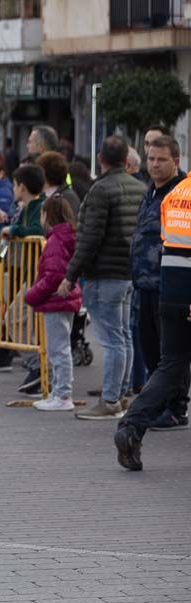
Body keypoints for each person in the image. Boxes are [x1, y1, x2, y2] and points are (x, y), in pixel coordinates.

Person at [58, 136, 145, 420]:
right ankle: (119, 395)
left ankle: (110, 400)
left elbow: (90, 237)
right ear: (126, 159)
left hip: (104, 273)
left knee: (111, 340)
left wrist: (71, 275)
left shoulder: (100, 190)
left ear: (100, 158)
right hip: (128, 272)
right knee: (124, 336)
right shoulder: (140, 188)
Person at [115, 167, 191, 469]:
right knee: (172, 365)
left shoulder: (177, 193)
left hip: (170, 289)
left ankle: (131, 427)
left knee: (170, 365)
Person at [130, 135, 188, 430]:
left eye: (161, 159)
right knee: (151, 349)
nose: (154, 164)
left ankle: (176, 408)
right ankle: (157, 405)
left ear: (176, 161)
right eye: (151, 158)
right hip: (146, 283)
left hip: (171, 286)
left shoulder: (181, 193)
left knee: (171, 355)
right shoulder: (149, 191)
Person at [24, 195, 82, 412]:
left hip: (56, 300)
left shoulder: (55, 241)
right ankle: (59, 391)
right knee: (59, 347)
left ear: (47, 215)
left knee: (58, 349)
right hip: (64, 300)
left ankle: (62, 394)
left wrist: (32, 294)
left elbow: (53, 275)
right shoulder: (65, 237)